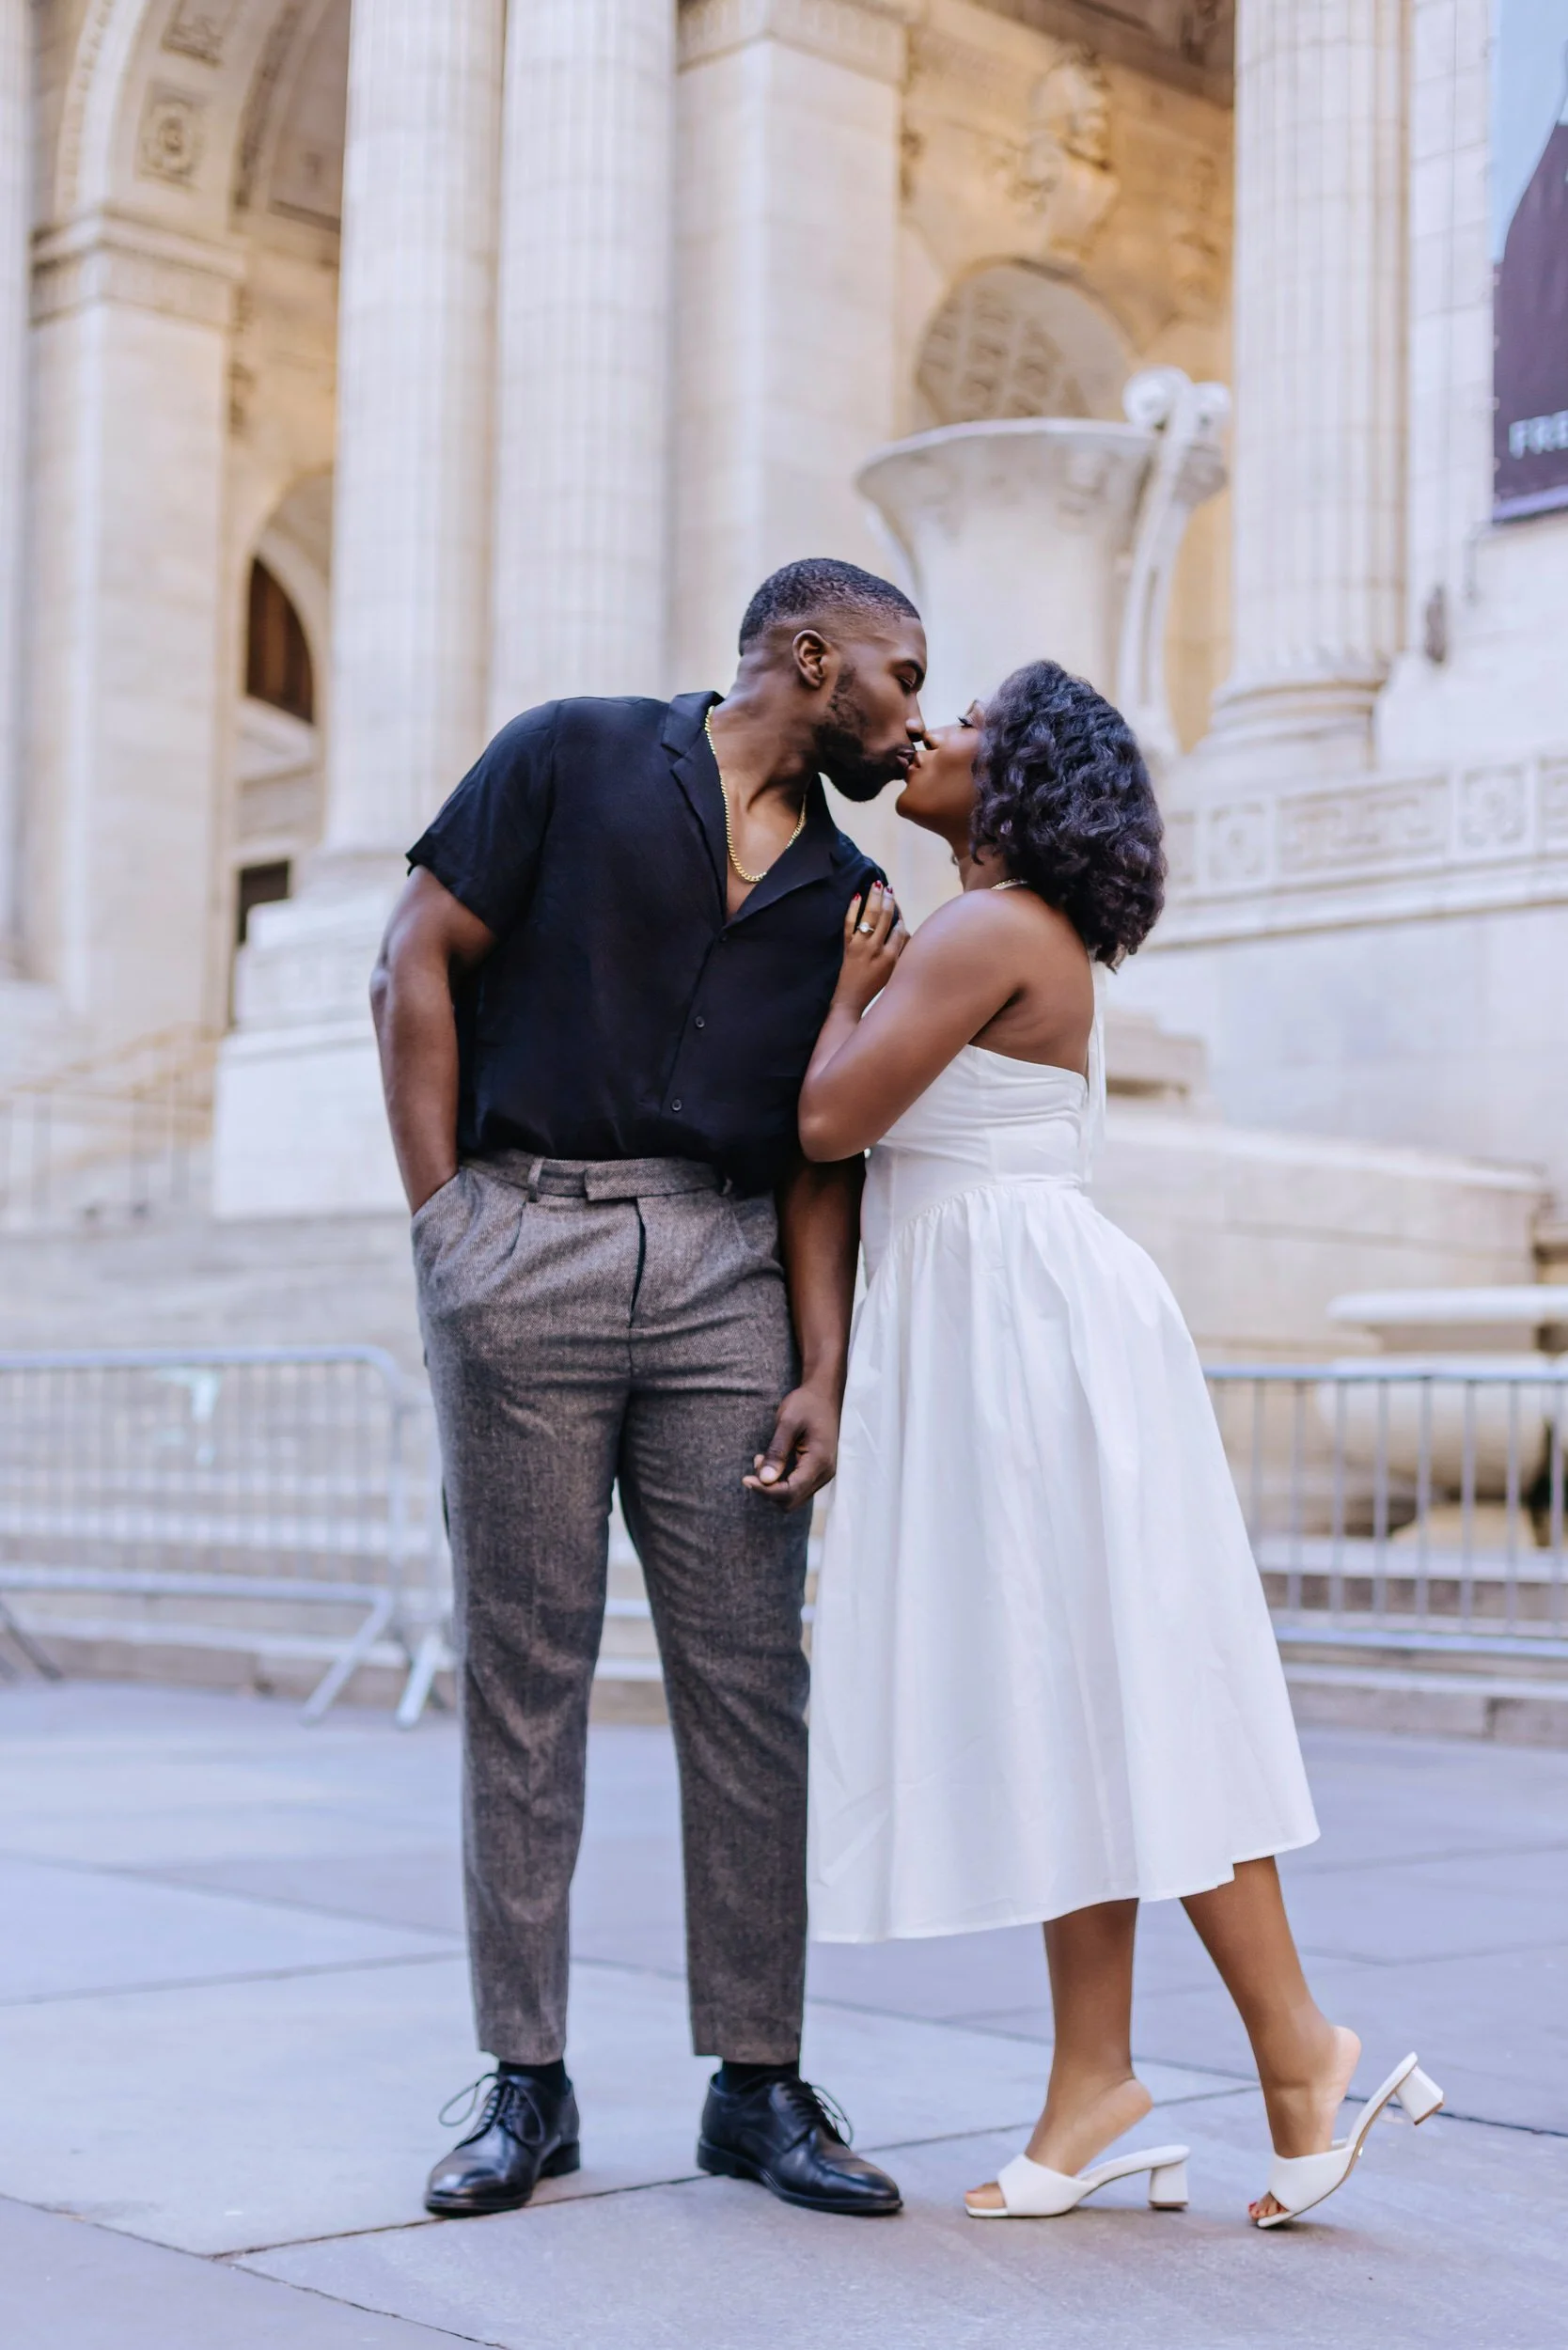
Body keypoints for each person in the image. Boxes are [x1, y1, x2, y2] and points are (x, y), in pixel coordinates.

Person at [800, 661, 1445, 2229]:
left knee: (1130, 1691)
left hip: (1027, 1335)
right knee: (1072, 1699)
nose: (932, 736)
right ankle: (1097, 2083)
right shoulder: (1016, 929)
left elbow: (825, 1122)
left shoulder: (985, 929)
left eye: (966, 728)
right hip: (1018, 1325)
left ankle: (1300, 2049)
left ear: (1011, 784)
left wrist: (840, 996)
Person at [370, 558, 928, 2222]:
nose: (914, 719)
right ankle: (524, 2081)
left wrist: (823, 1366)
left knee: (756, 1687)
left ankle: (756, 2083)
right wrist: (446, 1232)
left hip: (722, 1279)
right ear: (813, 658)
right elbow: (412, 957)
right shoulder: (572, 752)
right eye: (902, 676)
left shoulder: (852, 898)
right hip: (519, 1240)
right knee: (525, 1679)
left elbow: (826, 1151)